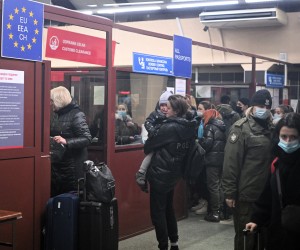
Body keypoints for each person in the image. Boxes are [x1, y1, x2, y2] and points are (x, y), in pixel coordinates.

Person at [222, 89, 274, 250]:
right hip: (247, 194)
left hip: (267, 194)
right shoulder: (241, 129)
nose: (263, 109)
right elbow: (231, 162)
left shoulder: (272, 129)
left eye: (266, 106)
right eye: (259, 105)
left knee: (265, 237)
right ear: (251, 107)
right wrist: (229, 192)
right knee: (247, 239)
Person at [144, 94, 197, 250]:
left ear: (176, 110)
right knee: (168, 208)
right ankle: (174, 243)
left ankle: (163, 245)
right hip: (174, 173)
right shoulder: (189, 125)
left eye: (168, 106)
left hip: (160, 173)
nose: (165, 109)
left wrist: (153, 128)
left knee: (158, 213)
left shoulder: (169, 127)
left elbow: (148, 146)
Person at [246, 113, 300, 250]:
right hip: (278, 234)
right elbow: (268, 196)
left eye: (293, 137)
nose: (288, 141)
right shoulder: (276, 163)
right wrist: (256, 219)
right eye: (284, 137)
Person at [50, 86, 92, 197]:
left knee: (69, 202)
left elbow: (87, 138)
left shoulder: (76, 115)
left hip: (72, 169)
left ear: (59, 100)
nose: (50, 104)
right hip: (57, 168)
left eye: (52, 101)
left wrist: (66, 141)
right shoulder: (56, 115)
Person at [135, 91, 172, 192]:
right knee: (151, 154)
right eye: (162, 105)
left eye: (166, 105)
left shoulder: (171, 117)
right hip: (154, 141)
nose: (164, 108)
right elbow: (148, 122)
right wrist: (153, 131)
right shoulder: (155, 114)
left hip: (163, 144)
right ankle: (141, 173)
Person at [199, 109, 226, 222]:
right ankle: (220, 211)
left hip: (212, 161)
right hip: (221, 160)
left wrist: (200, 142)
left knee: (213, 186)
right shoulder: (222, 126)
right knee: (219, 186)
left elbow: (208, 143)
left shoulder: (210, 127)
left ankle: (215, 212)